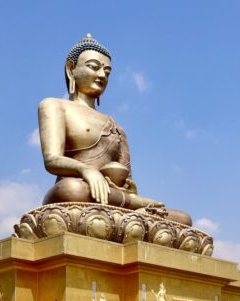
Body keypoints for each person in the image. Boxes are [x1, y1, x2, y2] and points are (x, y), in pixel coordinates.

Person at [38, 34, 192, 225]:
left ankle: (134, 217)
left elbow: (127, 183)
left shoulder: (117, 127)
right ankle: (134, 219)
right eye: (94, 67)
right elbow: (52, 159)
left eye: (107, 72)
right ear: (71, 69)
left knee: (182, 219)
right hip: (76, 194)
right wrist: (86, 171)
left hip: (113, 199)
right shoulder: (54, 106)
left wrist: (130, 191)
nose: (102, 75)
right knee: (71, 189)